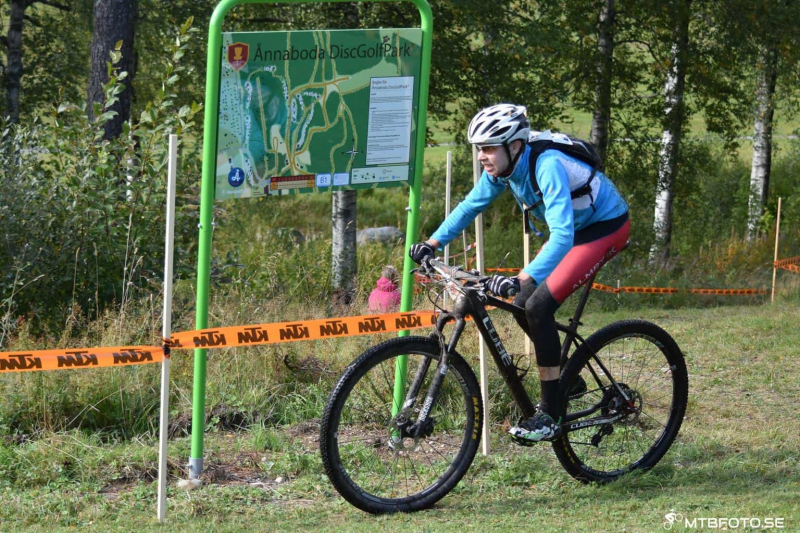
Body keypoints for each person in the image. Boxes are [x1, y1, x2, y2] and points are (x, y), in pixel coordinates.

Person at [409, 103, 629, 444]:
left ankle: (550, 415)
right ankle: (568, 379)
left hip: (603, 229)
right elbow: (471, 205)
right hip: (571, 232)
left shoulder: (547, 165)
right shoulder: (506, 168)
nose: (481, 156)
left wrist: (521, 277)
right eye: (478, 148)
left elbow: (563, 237)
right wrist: (432, 243)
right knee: (523, 303)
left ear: (514, 145)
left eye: (488, 148)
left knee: (537, 305)